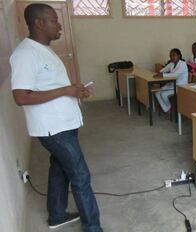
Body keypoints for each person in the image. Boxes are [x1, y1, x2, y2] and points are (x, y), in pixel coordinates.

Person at [10, 4, 102, 232]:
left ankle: (57, 216)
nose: (59, 24)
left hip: (63, 125)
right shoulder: (25, 54)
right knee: (80, 176)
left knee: (59, 168)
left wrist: (75, 90)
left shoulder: (44, 50)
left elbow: (51, 86)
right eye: (54, 20)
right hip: (54, 130)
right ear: (39, 23)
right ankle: (93, 228)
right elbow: (21, 96)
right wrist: (65, 91)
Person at [154, 48, 188, 117]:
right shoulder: (171, 64)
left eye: (174, 55)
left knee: (163, 94)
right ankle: (168, 109)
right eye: (170, 56)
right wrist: (159, 73)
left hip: (180, 86)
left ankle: (169, 111)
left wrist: (162, 75)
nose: (172, 57)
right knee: (157, 93)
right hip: (172, 84)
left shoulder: (183, 64)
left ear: (179, 56)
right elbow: (163, 70)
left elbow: (175, 75)